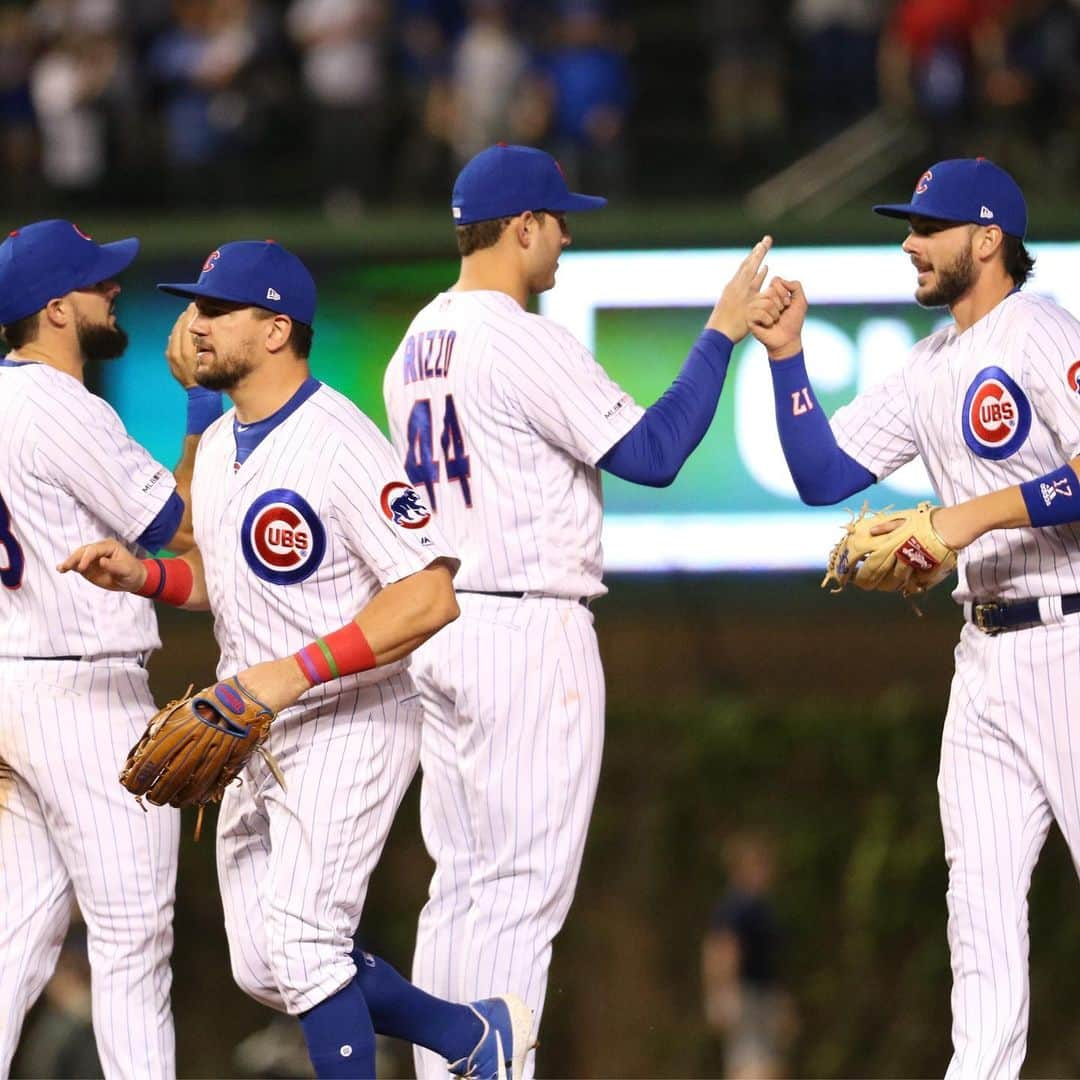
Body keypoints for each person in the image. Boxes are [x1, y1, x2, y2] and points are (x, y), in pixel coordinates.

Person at [60, 239, 534, 1080]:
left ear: (276, 328)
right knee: (266, 964)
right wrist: (148, 576)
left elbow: (429, 595)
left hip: (349, 717)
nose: (193, 325)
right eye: (195, 306)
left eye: (215, 309)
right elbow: (226, 578)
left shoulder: (338, 440)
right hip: (253, 724)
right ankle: (472, 1036)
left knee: (307, 942)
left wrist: (292, 675)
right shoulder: (223, 442)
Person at [381, 142, 774, 1079]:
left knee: (463, 892)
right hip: (526, 627)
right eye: (558, 222)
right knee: (520, 894)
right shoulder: (521, 337)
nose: (564, 241)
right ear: (521, 226)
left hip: (444, 630)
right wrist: (720, 332)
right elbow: (656, 452)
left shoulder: (412, 345)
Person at [748, 157, 1080, 1079]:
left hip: (1072, 641)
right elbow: (821, 474)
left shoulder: (1043, 332)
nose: (909, 242)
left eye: (927, 227)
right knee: (975, 912)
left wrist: (968, 515)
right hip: (983, 657)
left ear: (987, 239)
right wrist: (787, 358)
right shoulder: (929, 367)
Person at [0, 218, 207, 1080]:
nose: (112, 288)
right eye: (95, 282)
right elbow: (187, 524)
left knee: (13, 939)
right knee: (132, 944)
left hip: (15, 686)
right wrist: (201, 405)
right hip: (83, 695)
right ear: (55, 309)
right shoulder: (59, 405)